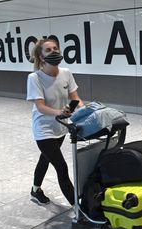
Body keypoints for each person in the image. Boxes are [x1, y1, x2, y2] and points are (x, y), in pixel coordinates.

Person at [26, 38, 84, 205]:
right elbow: (40, 106)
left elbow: (76, 98)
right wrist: (59, 112)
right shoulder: (34, 78)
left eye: (56, 48)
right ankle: (78, 208)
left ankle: (35, 190)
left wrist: (84, 110)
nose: (54, 52)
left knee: (45, 158)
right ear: (41, 57)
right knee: (61, 167)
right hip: (43, 129)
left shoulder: (66, 73)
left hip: (60, 127)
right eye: (48, 50)